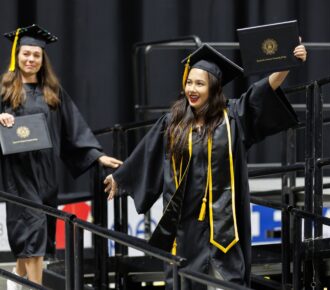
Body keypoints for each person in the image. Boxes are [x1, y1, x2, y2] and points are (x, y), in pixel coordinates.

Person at [104, 42, 307, 289]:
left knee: (225, 282)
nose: (192, 88)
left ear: (213, 87)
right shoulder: (173, 123)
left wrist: (287, 63)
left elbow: (263, 91)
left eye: (199, 84)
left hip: (223, 231)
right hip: (185, 230)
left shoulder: (232, 117)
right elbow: (149, 154)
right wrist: (121, 179)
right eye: (189, 82)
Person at [0, 24, 122, 289]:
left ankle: (18, 280)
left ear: (43, 59)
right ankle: (35, 286)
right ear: (16, 56)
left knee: (36, 232)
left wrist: (96, 156)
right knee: (32, 228)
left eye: (36, 55)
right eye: (26, 54)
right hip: (17, 173)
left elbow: (74, 129)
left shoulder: (52, 93)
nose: (30, 59)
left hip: (45, 173)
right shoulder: (5, 91)